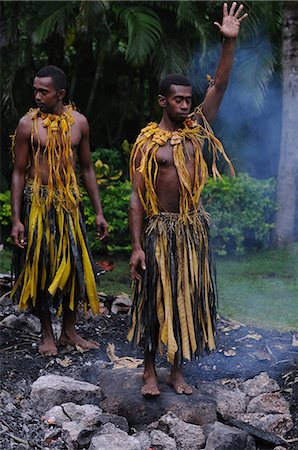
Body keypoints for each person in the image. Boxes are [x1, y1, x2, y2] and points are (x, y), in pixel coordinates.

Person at [128, 2, 248, 396]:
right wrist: (135, 247)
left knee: (186, 297)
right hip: (158, 232)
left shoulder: (196, 133)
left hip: (191, 230)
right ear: (163, 101)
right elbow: (135, 197)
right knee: (152, 302)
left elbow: (220, 86)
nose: (184, 104)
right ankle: (149, 371)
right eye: (177, 99)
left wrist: (227, 43)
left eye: (187, 99)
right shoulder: (147, 143)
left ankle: (177, 370)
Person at [10, 65, 108, 356]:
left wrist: (98, 211)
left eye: (44, 91)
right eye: (35, 90)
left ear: (60, 93)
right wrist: (17, 219)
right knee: (40, 268)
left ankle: (69, 331)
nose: (38, 96)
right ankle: (46, 334)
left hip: (69, 206)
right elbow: (17, 172)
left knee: (75, 268)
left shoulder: (79, 123)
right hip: (38, 203)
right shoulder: (28, 124)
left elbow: (87, 168)